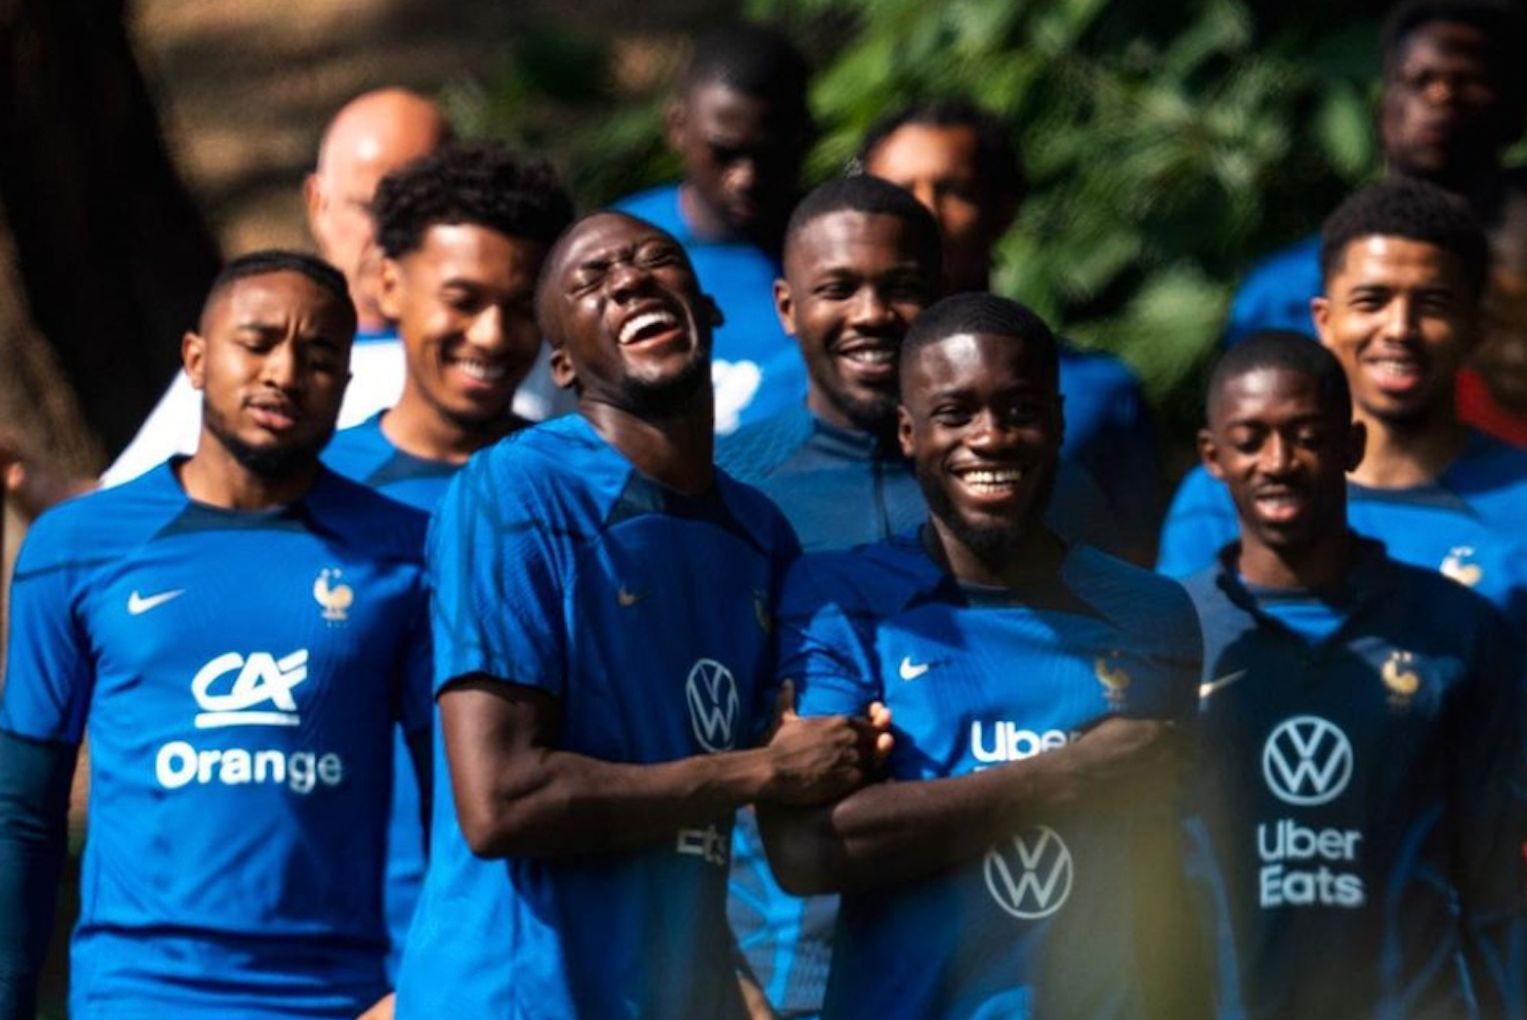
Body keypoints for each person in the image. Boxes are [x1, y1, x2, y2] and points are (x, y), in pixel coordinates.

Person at [394, 211, 890, 1019]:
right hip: (521, 997)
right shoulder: (518, 491)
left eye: (655, 260)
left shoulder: (760, 534)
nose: (628, 280)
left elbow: (751, 786)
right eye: (590, 283)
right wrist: (762, 769)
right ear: (562, 362)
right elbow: (501, 802)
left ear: (711, 308)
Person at [0, 252, 432, 1019]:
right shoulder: (76, 546)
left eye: (320, 354)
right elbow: (23, 810)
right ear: (196, 359)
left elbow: (461, 804)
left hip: (343, 1000)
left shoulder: (410, 552)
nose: (285, 371)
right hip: (137, 996)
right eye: (257, 342)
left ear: (346, 384)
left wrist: (424, 990)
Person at [760, 293, 1207, 1019]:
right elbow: (807, 853)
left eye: (1019, 408)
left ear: (1058, 422)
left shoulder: (1152, 613)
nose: (990, 437)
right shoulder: (840, 598)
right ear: (909, 432)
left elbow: (1159, 860)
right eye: (955, 413)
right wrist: (1067, 774)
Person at [1183, 333, 1525, 1016]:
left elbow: (1497, 891)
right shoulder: (1169, 635)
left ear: (1351, 447)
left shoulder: (1456, 631)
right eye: (1249, 440)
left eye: (1305, 436)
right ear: (1212, 458)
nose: (1277, 462)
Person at [321, 141, 574, 981]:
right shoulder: (310, 497)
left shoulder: (585, 493)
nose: (494, 336)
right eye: (462, 300)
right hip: (341, 970)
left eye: (519, 306)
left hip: (529, 964)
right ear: (387, 282)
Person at [1159, 179, 1527, 637]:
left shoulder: (1519, 502)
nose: (1400, 329)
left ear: (1476, 328)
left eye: (1432, 304)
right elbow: (1174, 672)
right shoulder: (1221, 493)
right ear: (1325, 321)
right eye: (1371, 301)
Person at [857, 99, 1165, 561]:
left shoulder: (1098, 396)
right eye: (899, 193)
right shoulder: (821, 399)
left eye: (953, 190)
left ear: (1004, 210)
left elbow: (1141, 582)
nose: (925, 212)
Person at [1225, 0, 1527, 345]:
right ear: (1382, 103)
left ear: (1513, 111)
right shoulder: (1286, 293)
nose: (1441, 95)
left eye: (1469, 80)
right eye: (1419, 79)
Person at [616, 23, 813, 433]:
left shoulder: (838, 251)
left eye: (768, 154)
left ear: (803, 137)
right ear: (677, 127)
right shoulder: (613, 251)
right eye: (724, 153)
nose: (746, 177)